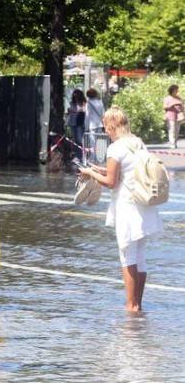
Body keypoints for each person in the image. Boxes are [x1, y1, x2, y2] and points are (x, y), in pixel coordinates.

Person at [79, 107, 163, 312]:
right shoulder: (137, 143)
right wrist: (101, 170)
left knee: (127, 256)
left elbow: (110, 182)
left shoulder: (115, 148)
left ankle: (131, 306)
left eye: (107, 127)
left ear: (112, 126)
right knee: (140, 256)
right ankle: (138, 305)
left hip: (127, 207)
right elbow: (126, 172)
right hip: (145, 205)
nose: (106, 131)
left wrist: (90, 171)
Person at [163, 84, 183, 149]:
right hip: (170, 115)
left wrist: (182, 107)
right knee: (171, 130)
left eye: (177, 90)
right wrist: (172, 104)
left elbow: (182, 105)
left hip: (178, 116)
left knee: (177, 130)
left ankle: (175, 142)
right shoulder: (167, 98)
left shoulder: (178, 98)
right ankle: (172, 144)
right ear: (172, 90)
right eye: (175, 90)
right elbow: (164, 107)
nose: (177, 91)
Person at [67, 89, 86, 154]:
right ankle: (75, 153)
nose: (75, 97)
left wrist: (75, 110)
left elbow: (84, 111)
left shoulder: (83, 103)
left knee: (79, 139)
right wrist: (75, 111)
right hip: (72, 122)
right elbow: (69, 111)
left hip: (79, 123)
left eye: (76, 95)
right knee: (74, 139)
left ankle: (82, 152)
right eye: (74, 95)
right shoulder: (71, 103)